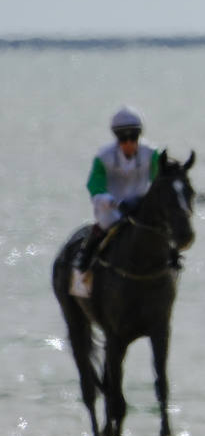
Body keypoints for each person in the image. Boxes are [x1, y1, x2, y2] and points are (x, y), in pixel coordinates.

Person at [70, 107, 163, 297]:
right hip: (112, 206)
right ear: (117, 139)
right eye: (123, 139)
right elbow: (94, 184)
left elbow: (159, 179)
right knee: (106, 225)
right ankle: (83, 263)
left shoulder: (152, 154)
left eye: (133, 138)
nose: (128, 144)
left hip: (140, 204)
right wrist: (106, 199)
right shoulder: (103, 157)